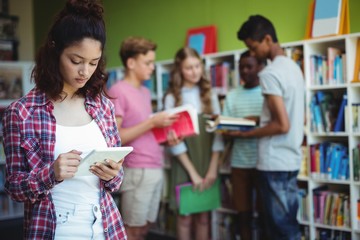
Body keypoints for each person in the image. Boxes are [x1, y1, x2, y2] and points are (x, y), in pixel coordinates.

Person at [2, 0, 127, 239]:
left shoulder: (103, 108)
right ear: (54, 50)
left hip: (106, 227)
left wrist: (113, 174)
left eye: (93, 63)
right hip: (54, 229)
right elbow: (14, 188)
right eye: (76, 61)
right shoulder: (21, 113)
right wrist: (52, 173)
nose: (85, 72)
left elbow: (115, 182)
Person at [235, 15, 305, 240]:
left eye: (253, 48)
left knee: (279, 229)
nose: (253, 54)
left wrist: (245, 133)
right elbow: (288, 113)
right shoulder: (293, 68)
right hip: (291, 158)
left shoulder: (269, 73)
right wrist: (257, 118)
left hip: (274, 161)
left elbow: (281, 124)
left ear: (267, 39)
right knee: (289, 224)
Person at [107, 36, 178, 240]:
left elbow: (145, 132)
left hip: (155, 166)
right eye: (147, 63)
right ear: (130, 63)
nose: (152, 68)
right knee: (133, 230)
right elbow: (116, 137)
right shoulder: (118, 91)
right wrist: (152, 122)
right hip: (137, 169)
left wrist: (167, 137)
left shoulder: (145, 92)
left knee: (145, 227)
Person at [163, 47, 224, 240]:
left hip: (207, 162)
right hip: (184, 163)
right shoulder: (172, 98)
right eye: (189, 68)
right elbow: (173, 141)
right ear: (180, 70)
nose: (195, 71)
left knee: (204, 216)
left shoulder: (210, 94)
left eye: (197, 66)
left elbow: (218, 135)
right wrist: (193, 173)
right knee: (185, 217)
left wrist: (213, 169)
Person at [221, 50, 265, 240]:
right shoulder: (232, 95)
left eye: (250, 66)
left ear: (260, 67)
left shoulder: (267, 92)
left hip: (263, 162)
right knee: (243, 214)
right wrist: (225, 129)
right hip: (239, 164)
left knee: (264, 214)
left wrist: (254, 121)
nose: (245, 71)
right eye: (241, 67)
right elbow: (225, 128)